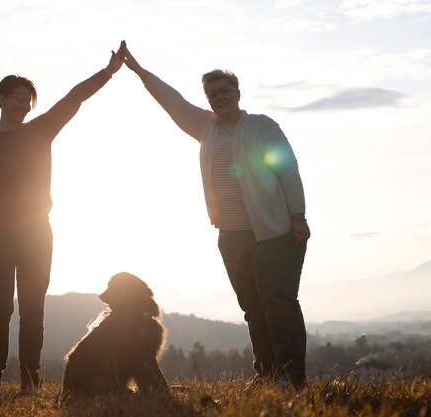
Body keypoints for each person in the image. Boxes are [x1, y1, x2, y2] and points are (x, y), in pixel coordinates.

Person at [119, 41, 310, 388]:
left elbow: (288, 171)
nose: (219, 97)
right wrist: (139, 71)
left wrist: (298, 217)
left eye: (225, 91)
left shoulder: (261, 126)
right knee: (253, 309)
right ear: (208, 99)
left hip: (274, 234)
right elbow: (173, 102)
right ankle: (266, 375)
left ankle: (292, 378)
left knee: (278, 305)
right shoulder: (205, 127)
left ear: (237, 92)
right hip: (232, 236)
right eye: (212, 94)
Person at [0, 46, 123, 398]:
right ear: (1, 99)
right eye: (18, 99)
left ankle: (29, 381)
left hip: (36, 234)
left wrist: (107, 71)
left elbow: (74, 98)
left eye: (28, 102)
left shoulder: (40, 131)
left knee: (33, 308)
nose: (24, 106)